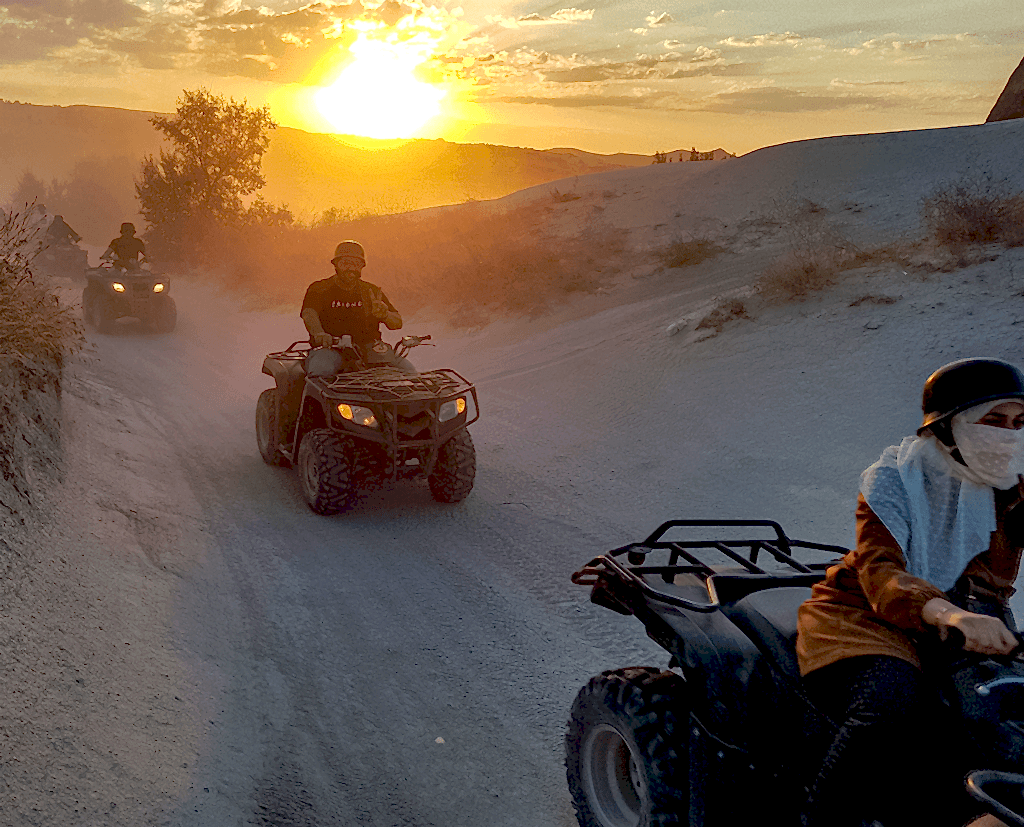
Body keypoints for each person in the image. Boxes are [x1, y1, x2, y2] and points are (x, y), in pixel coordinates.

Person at [796, 357, 1024, 827]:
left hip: (975, 618)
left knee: (1002, 722)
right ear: (947, 429)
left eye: (1020, 423)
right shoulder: (894, 480)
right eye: (994, 421)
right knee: (889, 703)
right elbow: (881, 573)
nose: (1010, 434)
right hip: (867, 617)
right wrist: (950, 615)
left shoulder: (1010, 485)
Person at [300, 240, 412, 372]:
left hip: (371, 350)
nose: (351, 268)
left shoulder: (372, 291)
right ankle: (310, 393)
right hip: (331, 349)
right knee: (321, 369)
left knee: (410, 372)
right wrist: (319, 333)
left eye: (356, 263)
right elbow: (309, 313)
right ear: (336, 264)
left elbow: (397, 322)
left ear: (362, 266)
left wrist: (385, 315)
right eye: (345, 263)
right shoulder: (319, 288)